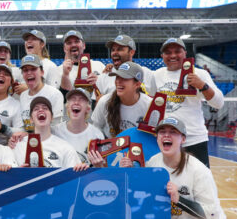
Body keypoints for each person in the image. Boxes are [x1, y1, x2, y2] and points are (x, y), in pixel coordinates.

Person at [120, 117, 226, 219]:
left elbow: (212, 214)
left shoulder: (199, 171)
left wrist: (179, 199)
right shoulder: (153, 162)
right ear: (157, 138)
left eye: (173, 132)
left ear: (183, 139)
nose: (166, 135)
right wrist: (131, 171)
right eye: (162, 132)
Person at [154, 38, 224, 167]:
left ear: (185, 53)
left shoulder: (199, 74)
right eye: (168, 52)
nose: (173, 55)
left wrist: (203, 86)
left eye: (177, 51)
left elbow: (218, 103)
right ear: (162, 56)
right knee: (167, 184)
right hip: (166, 141)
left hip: (193, 139)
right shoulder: (156, 75)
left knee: (199, 184)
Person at [13, 97, 80, 167]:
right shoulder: (18, 145)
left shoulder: (65, 148)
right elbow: (10, 174)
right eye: (36, 109)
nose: (41, 110)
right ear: (31, 119)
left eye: (45, 108)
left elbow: (76, 176)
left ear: (51, 118)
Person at [91, 61, 152, 138]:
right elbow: (96, 129)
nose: (118, 81)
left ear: (137, 84)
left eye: (124, 78)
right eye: (117, 77)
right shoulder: (104, 101)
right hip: (110, 148)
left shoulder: (149, 105)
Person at [53, 88, 104, 163]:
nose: (76, 102)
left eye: (81, 99)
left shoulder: (96, 135)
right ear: (67, 106)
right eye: (73, 99)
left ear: (88, 109)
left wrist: (99, 165)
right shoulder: (55, 132)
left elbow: (102, 168)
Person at [19, 54, 64, 132]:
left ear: (42, 72)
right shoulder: (22, 96)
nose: (29, 72)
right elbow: (24, 128)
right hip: (28, 141)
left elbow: (56, 128)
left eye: (33, 69)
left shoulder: (54, 94)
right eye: (25, 70)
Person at [57, 30, 105, 96]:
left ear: (84, 45)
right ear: (64, 49)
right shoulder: (58, 71)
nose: (73, 45)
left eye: (77, 41)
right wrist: (65, 75)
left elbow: (108, 92)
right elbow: (59, 98)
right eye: (69, 43)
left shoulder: (99, 65)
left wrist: (99, 82)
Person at [0, 64, 23, 145]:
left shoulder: (16, 105)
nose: (1, 75)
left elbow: (22, 131)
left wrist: (2, 128)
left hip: (2, 152)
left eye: (6, 74)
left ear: (11, 82)